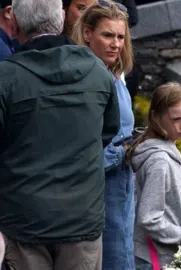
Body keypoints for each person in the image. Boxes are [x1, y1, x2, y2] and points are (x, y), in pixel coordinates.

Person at [0, 0, 120, 269]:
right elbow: (107, 131)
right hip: (81, 219)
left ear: (15, 22)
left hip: (25, 221)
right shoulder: (97, 72)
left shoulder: (5, 77)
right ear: (64, 16)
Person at [71, 1, 136, 269]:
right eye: (108, 35)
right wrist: (123, 151)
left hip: (121, 185)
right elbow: (80, 149)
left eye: (120, 37)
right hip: (102, 191)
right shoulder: (85, 79)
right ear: (88, 33)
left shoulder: (112, 74)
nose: (116, 44)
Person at [126, 82, 181, 269]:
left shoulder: (164, 148)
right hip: (153, 258)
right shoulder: (160, 161)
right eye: (176, 119)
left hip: (157, 253)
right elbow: (150, 218)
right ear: (157, 118)